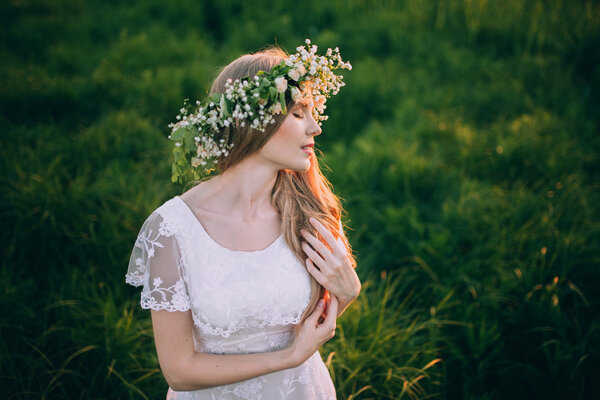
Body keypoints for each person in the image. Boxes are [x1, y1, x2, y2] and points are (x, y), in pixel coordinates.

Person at [125, 39, 360, 399]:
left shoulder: (310, 212)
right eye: (299, 113)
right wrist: (289, 356)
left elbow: (314, 325)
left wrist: (346, 295)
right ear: (253, 120)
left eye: (313, 112)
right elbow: (179, 371)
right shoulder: (172, 231)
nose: (316, 128)